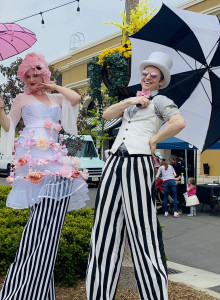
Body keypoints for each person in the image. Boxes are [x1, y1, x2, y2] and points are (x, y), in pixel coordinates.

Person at [86, 52, 185, 300]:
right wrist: (131, 102)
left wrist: (154, 139)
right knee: (104, 229)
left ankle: (153, 296)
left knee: (143, 229)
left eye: (154, 74)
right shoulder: (132, 101)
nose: (148, 77)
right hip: (113, 163)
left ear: (161, 80)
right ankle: (98, 294)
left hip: (138, 162)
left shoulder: (161, 100)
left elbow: (178, 122)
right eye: (145, 73)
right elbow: (107, 116)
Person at [0, 52, 89, 300]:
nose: (32, 79)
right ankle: (29, 285)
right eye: (28, 76)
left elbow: (77, 98)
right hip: (33, 157)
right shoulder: (21, 99)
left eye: (36, 74)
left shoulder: (56, 96)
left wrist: (54, 85)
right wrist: (1, 110)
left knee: (50, 219)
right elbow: (8, 126)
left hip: (55, 159)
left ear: (43, 74)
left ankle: (39, 288)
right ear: (23, 79)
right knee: (39, 219)